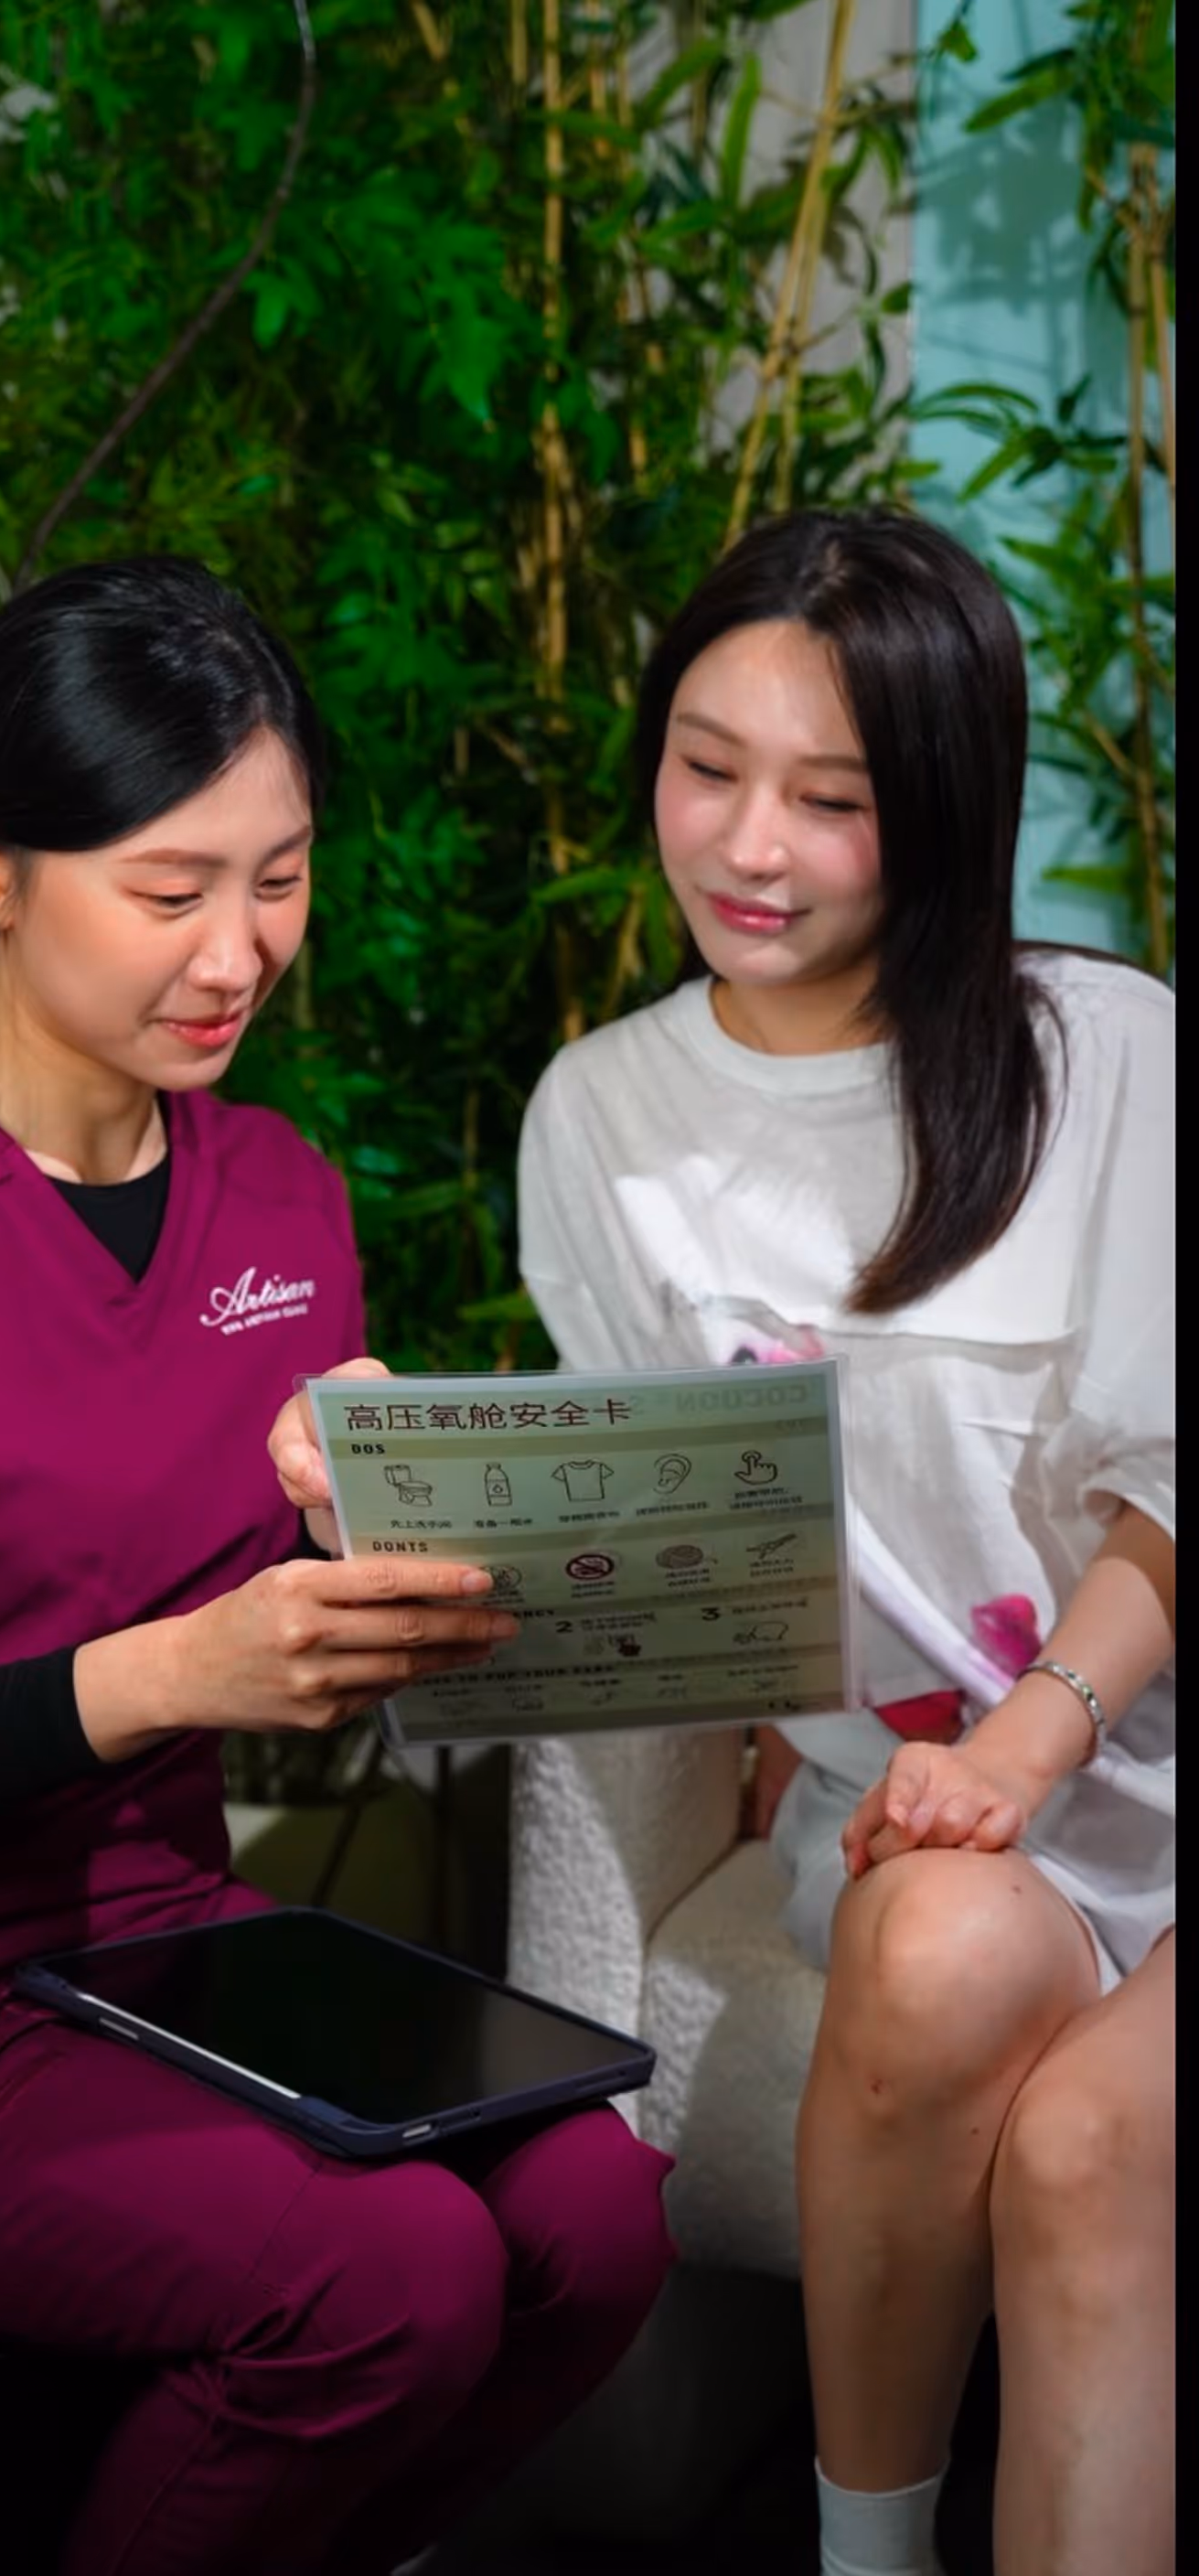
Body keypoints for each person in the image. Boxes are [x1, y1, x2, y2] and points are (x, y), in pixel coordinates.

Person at [0, 556, 673, 2576]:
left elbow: (309, 1643)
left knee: (598, 2216)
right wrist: (180, 1671)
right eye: (168, 891)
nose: (236, 950)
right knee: (388, 2276)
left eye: (280, 874)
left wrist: (405, 1555)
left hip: (159, 1934)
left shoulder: (279, 1191)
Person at [511, 510, 1174, 2576]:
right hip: (909, 1821)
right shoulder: (602, 1121)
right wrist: (427, 1515)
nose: (747, 845)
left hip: (1117, 1756)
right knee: (914, 1928)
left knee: (1082, 2145)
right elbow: (660, 1544)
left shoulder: (1111, 1057)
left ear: (942, 811)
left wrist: (1024, 1743)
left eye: (830, 797)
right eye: (704, 767)